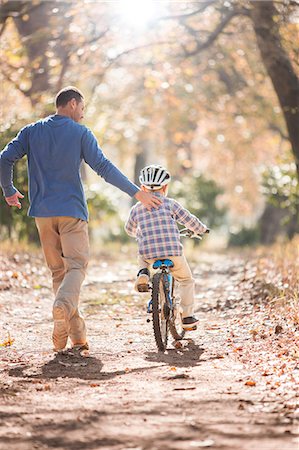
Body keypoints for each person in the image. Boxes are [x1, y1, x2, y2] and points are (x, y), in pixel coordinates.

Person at [0, 86, 161, 353]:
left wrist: (8, 191)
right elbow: (104, 167)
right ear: (72, 104)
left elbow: (4, 158)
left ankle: (76, 337)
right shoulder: (80, 133)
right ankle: (62, 306)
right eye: (83, 109)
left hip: (42, 213)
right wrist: (137, 193)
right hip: (72, 212)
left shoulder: (31, 131)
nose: (83, 115)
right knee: (76, 268)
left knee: (58, 273)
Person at [125, 164, 208, 329]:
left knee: (141, 254)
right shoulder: (171, 204)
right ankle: (187, 316)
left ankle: (143, 273)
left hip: (149, 253)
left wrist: (139, 234)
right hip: (173, 253)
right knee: (186, 280)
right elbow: (189, 220)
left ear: (142, 188)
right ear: (165, 187)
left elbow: (129, 230)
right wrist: (202, 229)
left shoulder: (136, 208)